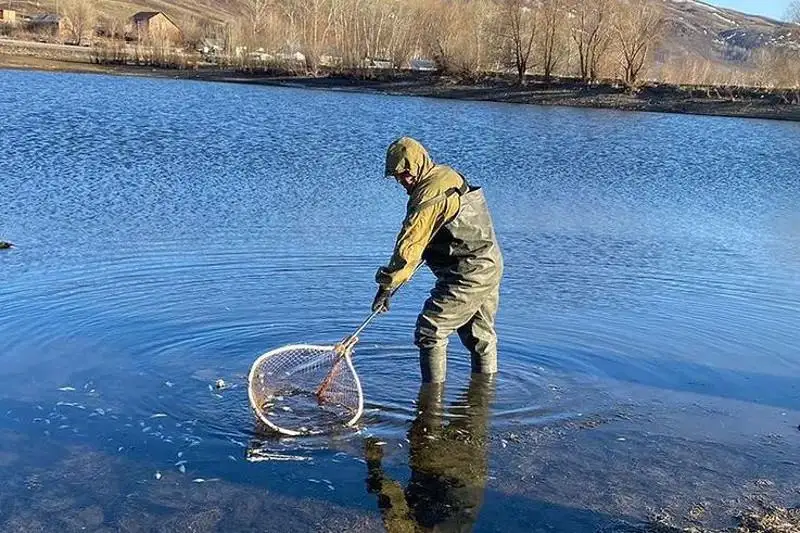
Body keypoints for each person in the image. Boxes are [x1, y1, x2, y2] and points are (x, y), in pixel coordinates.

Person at [373, 137, 503, 383]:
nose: (402, 181)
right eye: (397, 176)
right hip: (490, 263)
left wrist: (386, 285)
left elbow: (409, 245)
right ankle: (483, 402)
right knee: (480, 336)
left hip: (468, 273)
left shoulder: (427, 196)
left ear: (419, 164)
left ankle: (430, 407)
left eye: (405, 174)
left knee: (430, 330)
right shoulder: (445, 174)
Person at [365, 374, 496, 532]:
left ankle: (480, 379)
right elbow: (390, 497)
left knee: (469, 403)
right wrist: (374, 463)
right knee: (433, 410)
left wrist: (374, 465)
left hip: (466, 472)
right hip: (444, 470)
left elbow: (392, 499)